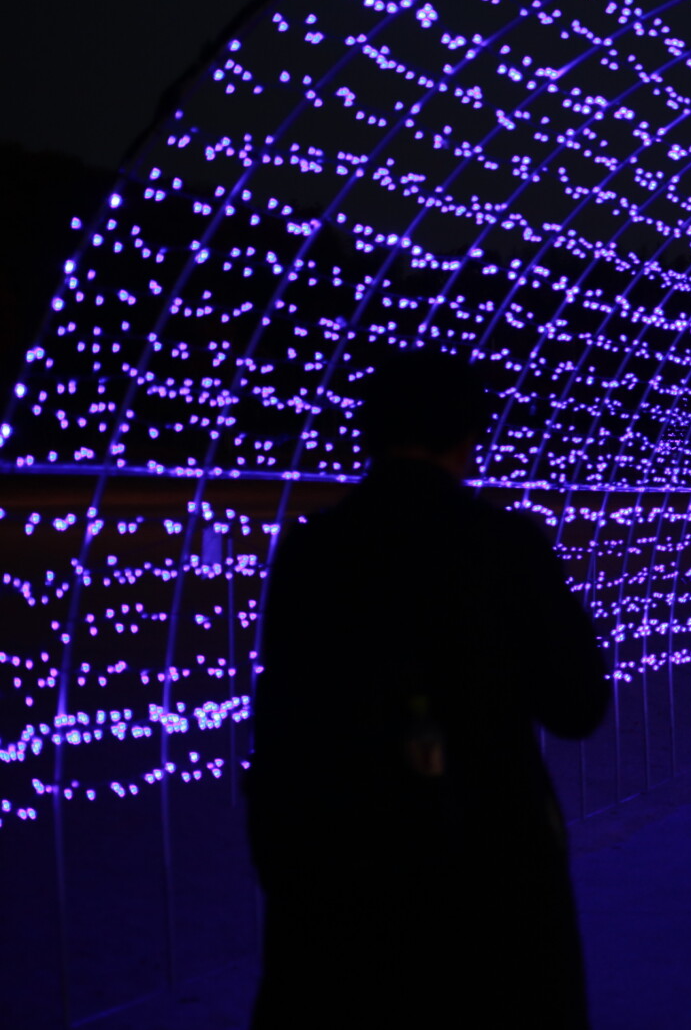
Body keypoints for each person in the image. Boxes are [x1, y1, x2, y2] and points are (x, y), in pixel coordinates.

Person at [246, 350, 609, 1028]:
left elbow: (279, 725)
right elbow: (577, 704)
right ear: (468, 435)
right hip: (489, 871)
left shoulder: (311, 552)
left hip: (341, 880)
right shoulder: (503, 544)